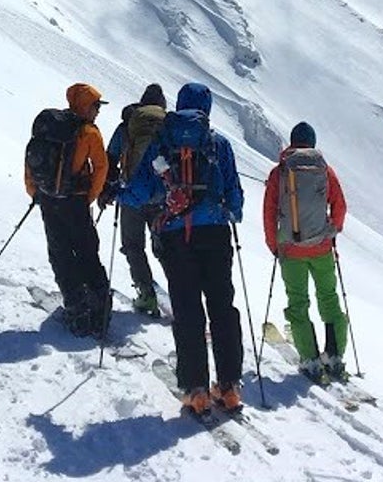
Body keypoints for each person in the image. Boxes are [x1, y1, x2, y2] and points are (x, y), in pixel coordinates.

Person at [119, 82, 245, 413]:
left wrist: (117, 193)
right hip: (216, 235)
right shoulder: (218, 144)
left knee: (188, 311)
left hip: (176, 236)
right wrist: (230, 211)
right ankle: (229, 387)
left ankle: (196, 391)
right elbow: (235, 197)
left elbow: (140, 189)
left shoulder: (163, 141)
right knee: (222, 306)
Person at [263, 121, 349, 381]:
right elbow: (340, 206)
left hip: (290, 250)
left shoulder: (280, 172)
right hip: (322, 248)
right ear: (312, 142)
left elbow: (268, 212)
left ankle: (310, 359)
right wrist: (332, 232)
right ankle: (334, 355)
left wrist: (273, 245)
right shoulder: (325, 170)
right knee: (329, 298)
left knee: (298, 303)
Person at [24, 83, 111, 337]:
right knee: (86, 253)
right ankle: (99, 310)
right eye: (96, 106)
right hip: (76, 202)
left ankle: (75, 308)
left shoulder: (49, 126)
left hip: (50, 201)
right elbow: (101, 168)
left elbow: (30, 162)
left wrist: (37, 192)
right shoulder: (88, 132)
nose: (97, 112)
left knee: (60, 254)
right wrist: (89, 197)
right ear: (86, 105)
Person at [98, 82, 168, 315]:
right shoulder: (167, 127)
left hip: (130, 196)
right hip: (163, 198)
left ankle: (146, 294)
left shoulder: (127, 126)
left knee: (133, 246)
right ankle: (181, 294)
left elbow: (111, 158)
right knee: (167, 248)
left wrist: (107, 189)